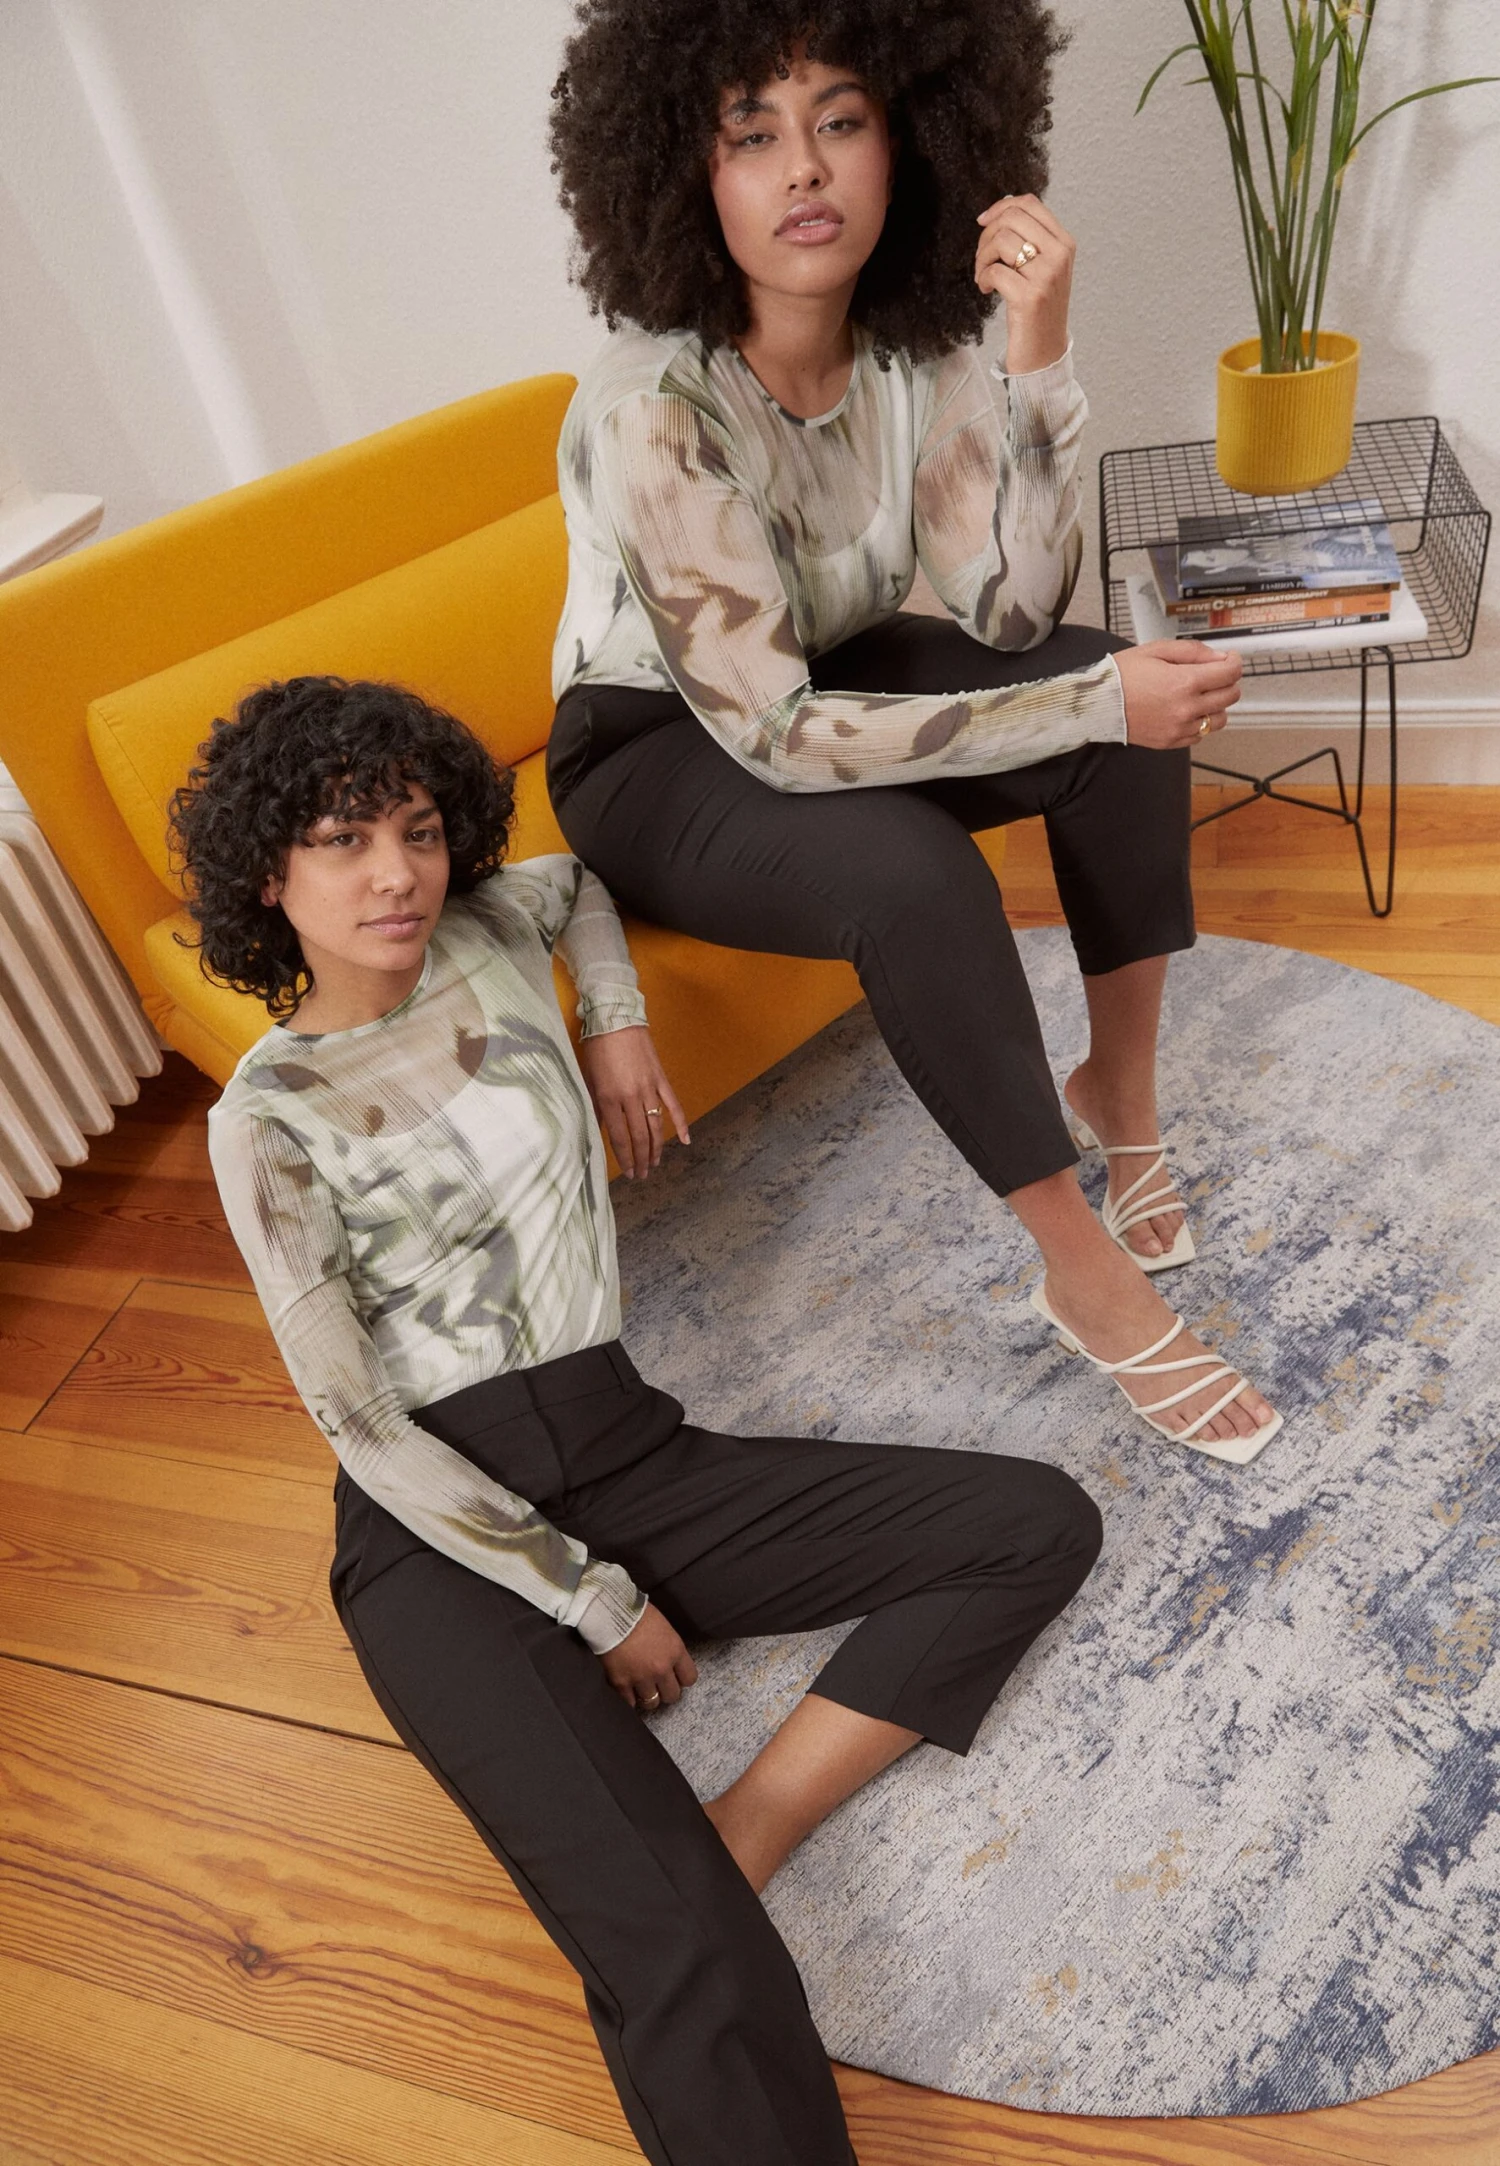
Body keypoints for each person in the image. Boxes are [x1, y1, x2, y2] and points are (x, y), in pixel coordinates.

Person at [172, 674, 1103, 2166]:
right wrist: (595, 1600)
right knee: (682, 1951)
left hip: (624, 1443)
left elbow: (574, 884)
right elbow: (361, 1426)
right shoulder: (264, 1118)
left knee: (1031, 1521)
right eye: (342, 842)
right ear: (267, 877)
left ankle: (745, 1829)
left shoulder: (485, 928)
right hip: (438, 1537)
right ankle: (695, 1893)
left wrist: (614, 1024)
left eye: (417, 830)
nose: (395, 873)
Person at [547, 0, 1282, 1460]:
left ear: (910, 141)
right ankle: (1083, 1272)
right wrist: (1089, 701)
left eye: (840, 120)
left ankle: (1117, 1091)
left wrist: (1036, 352)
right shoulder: (653, 407)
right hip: (659, 747)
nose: (804, 169)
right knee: (919, 867)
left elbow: (1010, 612)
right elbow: (775, 734)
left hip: (828, 671)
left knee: (1115, 695)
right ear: (684, 173)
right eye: (752, 136)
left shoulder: (909, 349)